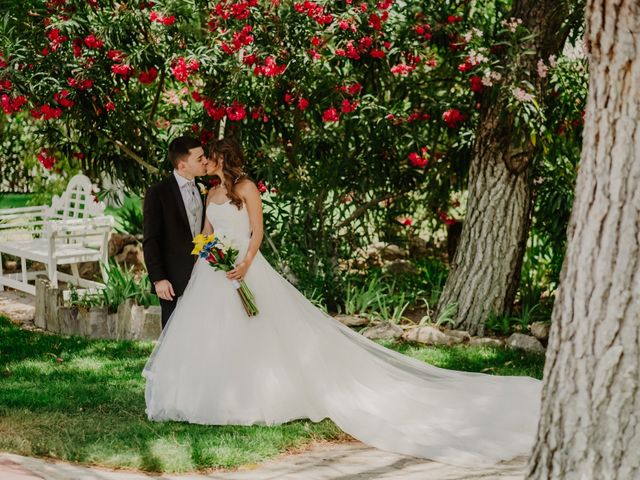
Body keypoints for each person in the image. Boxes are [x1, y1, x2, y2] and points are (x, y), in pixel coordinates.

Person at [142, 137, 542, 467]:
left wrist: (244, 262)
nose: (205, 161)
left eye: (209, 156)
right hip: (214, 273)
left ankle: (262, 393)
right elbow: (207, 231)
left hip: (246, 268)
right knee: (212, 335)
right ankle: (212, 391)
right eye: (201, 157)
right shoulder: (209, 190)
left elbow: (257, 232)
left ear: (224, 159)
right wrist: (211, 255)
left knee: (257, 330)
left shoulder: (246, 188)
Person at [142, 136, 208, 329]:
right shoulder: (158, 193)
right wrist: (158, 279)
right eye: (199, 158)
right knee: (174, 335)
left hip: (204, 274)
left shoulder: (205, 188)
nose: (205, 161)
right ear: (182, 166)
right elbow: (151, 240)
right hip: (173, 280)